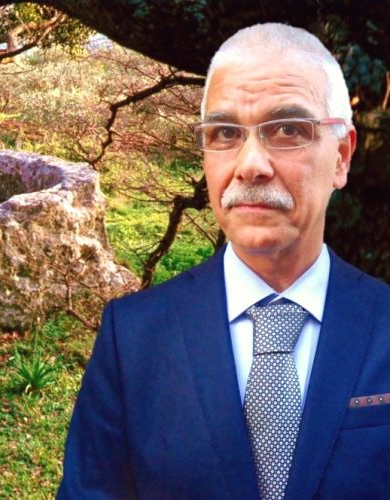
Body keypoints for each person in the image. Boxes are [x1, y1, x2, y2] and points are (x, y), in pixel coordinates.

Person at [58, 23, 390, 499]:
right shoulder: (131, 339)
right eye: (225, 133)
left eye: (288, 130)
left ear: (340, 156)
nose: (250, 164)